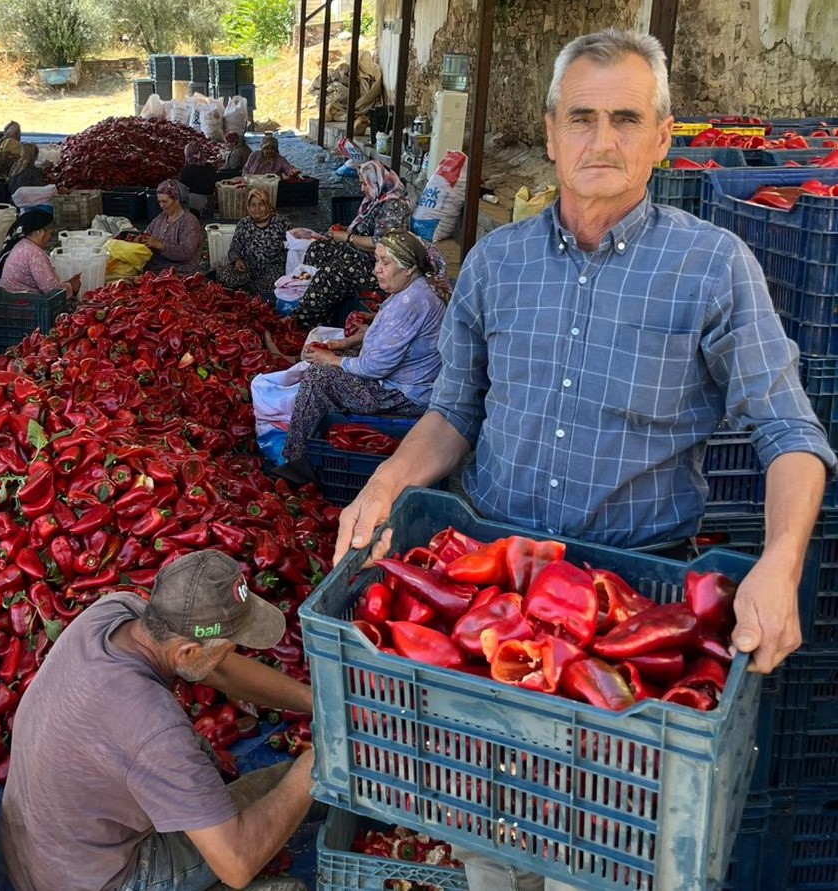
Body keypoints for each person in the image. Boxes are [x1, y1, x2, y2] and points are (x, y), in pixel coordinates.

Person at [332, 29, 835, 891]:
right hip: (491, 599)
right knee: (485, 834)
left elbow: (789, 432)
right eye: (582, 118)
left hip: (626, 612)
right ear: (551, 129)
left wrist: (781, 562)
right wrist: (385, 482)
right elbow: (454, 410)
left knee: (594, 853)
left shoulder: (712, 266)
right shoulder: (496, 262)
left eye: (624, 119)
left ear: (661, 137)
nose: (602, 141)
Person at [1, 550, 318, 891]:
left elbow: (219, 670)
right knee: (248, 837)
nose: (234, 652)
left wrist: (313, 702)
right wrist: (318, 764)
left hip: (38, 850)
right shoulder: (154, 729)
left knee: (228, 782)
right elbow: (237, 863)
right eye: (231, 646)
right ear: (187, 652)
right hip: (96, 880)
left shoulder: (116, 612)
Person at [275, 229, 449, 477]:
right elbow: (392, 336)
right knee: (334, 361)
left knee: (318, 377)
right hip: (407, 380)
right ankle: (317, 432)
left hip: (405, 395)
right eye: (377, 260)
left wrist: (333, 359)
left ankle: (296, 462)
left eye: (385, 263)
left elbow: (374, 368)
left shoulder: (412, 302)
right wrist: (346, 345)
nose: (376, 269)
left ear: (409, 268)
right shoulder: (413, 289)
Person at [291, 159, 410, 330]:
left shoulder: (393, 205)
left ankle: (303, 321)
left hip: (379, 264)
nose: (362, 189)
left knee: (334, 270)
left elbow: (381, 243)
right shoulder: (376, 200)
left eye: (364, 184)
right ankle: (319, 311)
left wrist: (347, 237)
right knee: (317, 249)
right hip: (359, 253)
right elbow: (365, 229)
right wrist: (344, 230)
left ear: (377, 181)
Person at [214, 186, 290, 299]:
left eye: (261, 204)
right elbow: (234, 248)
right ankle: (248, 290)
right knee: (223, 276)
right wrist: (237, 260)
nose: (257, 208)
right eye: (253, 205)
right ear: (248, 207)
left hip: (273, 267)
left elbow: (293, 246)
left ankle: (250, 291)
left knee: (269, 285)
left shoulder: (281, 223)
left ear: (268, 205)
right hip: (248, 265)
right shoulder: (244, 223)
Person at [0, 207, 81, 299]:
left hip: (11, 300)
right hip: (25, 305)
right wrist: (71, 286)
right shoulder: (34, 253)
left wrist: (67, 283)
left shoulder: (22, 244)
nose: (50, 237)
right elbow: (51, 291)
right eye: (50, 233)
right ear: (40, 232)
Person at [142, 179, 204, 275]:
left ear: (176, 200)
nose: (162, 205)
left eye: (165, 201)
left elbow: (186, 252)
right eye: (159, 202)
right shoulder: (160, 218)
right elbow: (147, 233)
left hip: (180, 273)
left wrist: (161, 246)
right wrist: (141, 239)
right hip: (156, 270)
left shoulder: (189, 222)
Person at [179, 142, 218, 217]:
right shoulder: (210, 168)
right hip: (210, 204)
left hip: (195, 207)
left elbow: (181, 190)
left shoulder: (186, 170)